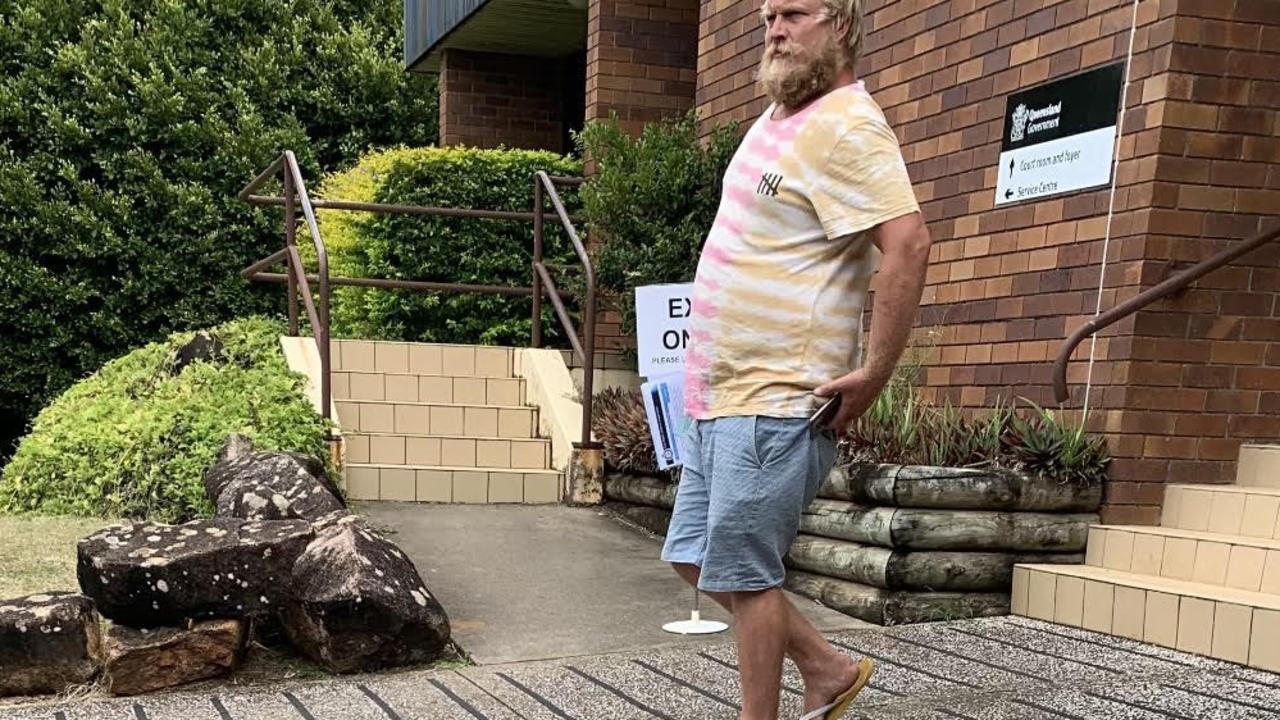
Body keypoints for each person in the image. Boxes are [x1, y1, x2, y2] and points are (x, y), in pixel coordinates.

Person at [659, 0, 932, 718]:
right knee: (694, 555)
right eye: (766, 16)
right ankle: (825, 667)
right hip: (721, 399)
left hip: (777, 400)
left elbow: (908, 245)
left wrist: (874, 373)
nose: (774, 29)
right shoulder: (776, 118)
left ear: (840, 23)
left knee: (747, 579)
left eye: (793, 13)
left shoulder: (850, 125)